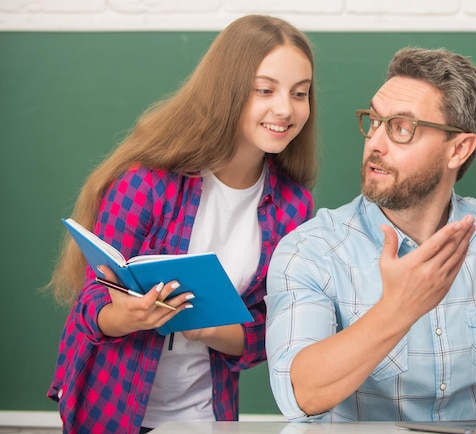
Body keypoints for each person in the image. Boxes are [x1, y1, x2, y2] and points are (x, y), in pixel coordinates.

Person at [46, 14, 317, 433]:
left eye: (300, 93)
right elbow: (90, 307)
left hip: (206, 414)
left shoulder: (293, 206)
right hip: (110, 406)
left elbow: (271, 329)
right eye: (265, 90)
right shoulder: (147, 183)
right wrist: (130, 316)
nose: (285, 108)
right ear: (227, 90)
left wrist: (211, 327)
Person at [265, 47, 476, 422]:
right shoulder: (311, 250)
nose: (375, 143)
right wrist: (397, 309)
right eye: (375, 121)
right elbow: (298, 394)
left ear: (459, 149)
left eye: (401, 128)